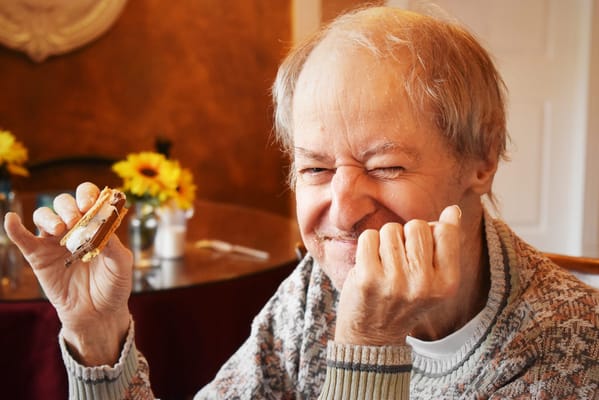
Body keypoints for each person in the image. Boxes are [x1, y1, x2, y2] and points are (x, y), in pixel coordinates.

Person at [4, 5, 599, 399]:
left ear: (482, 158)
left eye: (385, 166)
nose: (341, 209)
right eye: (315, 167)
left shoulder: (570, 345)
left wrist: (367, 345)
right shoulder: (317, 287)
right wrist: (99, 335)